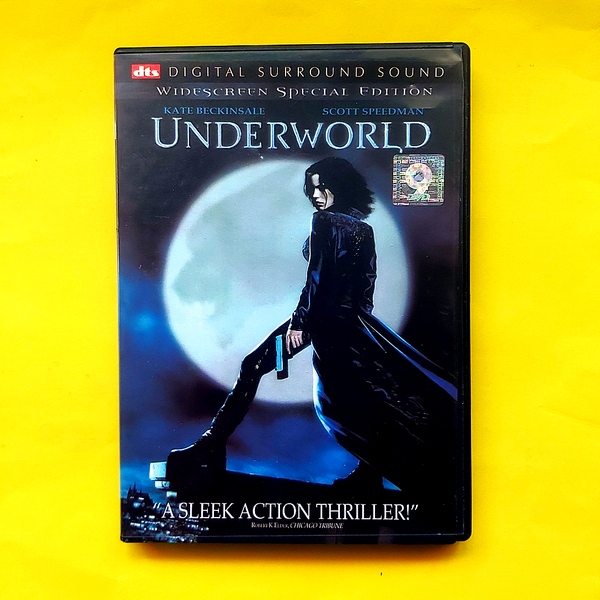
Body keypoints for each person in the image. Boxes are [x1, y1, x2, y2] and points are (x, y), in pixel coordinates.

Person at [167, 157, 457, 494]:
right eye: (312, 189)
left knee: (254, 366)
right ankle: (369, 473)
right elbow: (366, 285)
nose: (316, 195)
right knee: (359, 395)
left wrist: (301, 323)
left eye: (322, 187)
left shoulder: (324, 221)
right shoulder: (364, 229)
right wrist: (356, 321)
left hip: (319, 319)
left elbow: (317, 276)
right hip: (351, 322)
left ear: (339, 186)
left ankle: (209, 448)